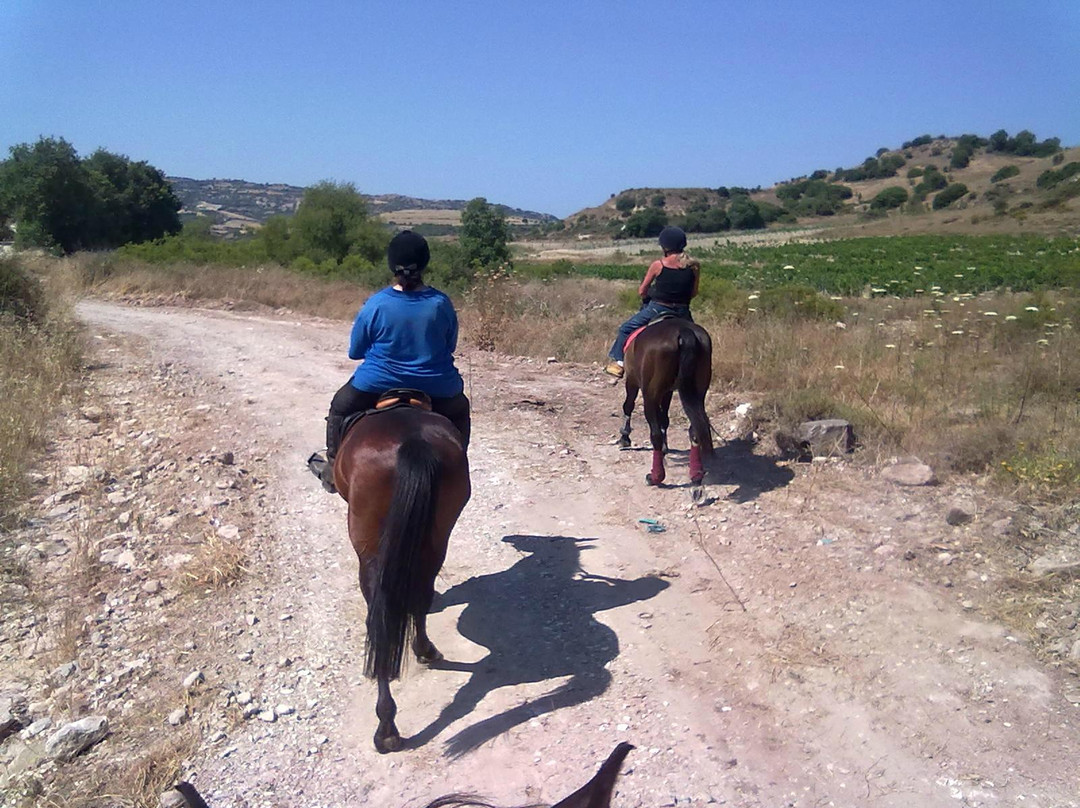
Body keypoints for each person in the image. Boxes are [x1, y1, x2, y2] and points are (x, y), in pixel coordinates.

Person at [309, 230, 470, 493]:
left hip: (376, 383)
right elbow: (449, 345)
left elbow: (355, 352)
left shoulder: (376, 304)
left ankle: (333, 469)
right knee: (460, 408)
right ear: (425, 262)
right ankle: (456, 469)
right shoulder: (441, 303)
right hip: (438, 386)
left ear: (391, 264)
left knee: (340, 407)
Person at [605, 226, 699, 378]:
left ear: (664, 246)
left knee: (625, 329)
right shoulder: (694, 266)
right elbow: (694, 292)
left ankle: (619, 363)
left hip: (658, 308)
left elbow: (642, 291)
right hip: (683, 311)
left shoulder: (658, 265)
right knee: (697, 339)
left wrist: (648, 296)